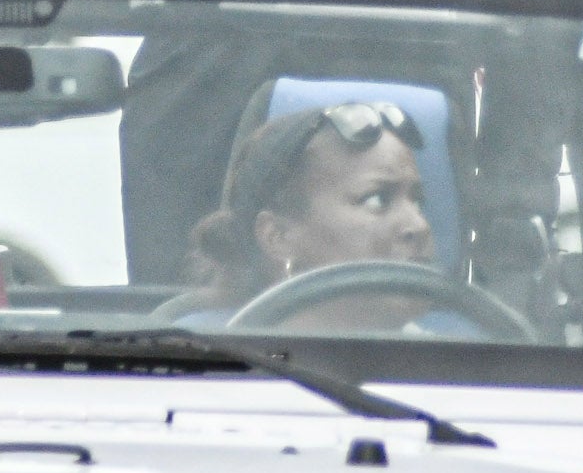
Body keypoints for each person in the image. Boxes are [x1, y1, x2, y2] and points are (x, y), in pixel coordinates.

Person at [182, 101, 438, 314]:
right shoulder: (201, 367)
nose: (420, 225)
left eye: (417, 202)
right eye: (376, 200)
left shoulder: (454, 363)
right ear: (277, 237)